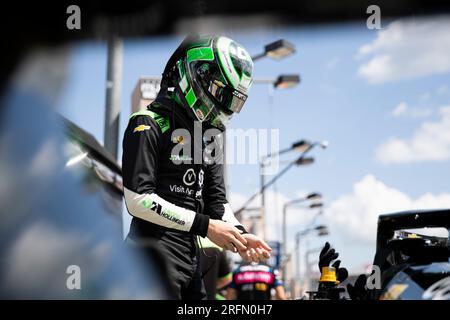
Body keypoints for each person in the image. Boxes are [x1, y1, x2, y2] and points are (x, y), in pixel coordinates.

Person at [122, 34, 271, 300]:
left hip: (191, 264)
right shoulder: (146, 122)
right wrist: (206, 226)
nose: (222, 104)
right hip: (149, 262)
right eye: (219, 92)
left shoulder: (208, 135)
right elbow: (138, 200)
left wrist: (240, 234)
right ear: (194, 75)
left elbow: (218, 203)